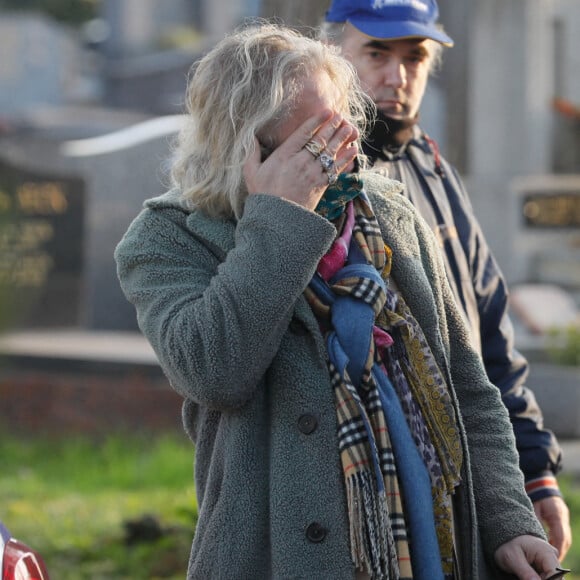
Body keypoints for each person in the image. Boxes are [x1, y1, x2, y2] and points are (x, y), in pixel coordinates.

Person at [115, 22, 562, 579]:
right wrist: (281, 218)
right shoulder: (168, 238)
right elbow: (214, 370)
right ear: (244, 144)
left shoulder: (389, 213)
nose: (340, 151)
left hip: (432, 546)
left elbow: (468, 387)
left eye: (342, 123)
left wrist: (510, 520)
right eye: (315, 141)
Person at [321, 0, 572, 562]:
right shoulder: (316, 177)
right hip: (370, 488)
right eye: (377, 53)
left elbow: (488, 337)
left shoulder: (435, 171)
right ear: (333, 53)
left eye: (416, 56)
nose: (398, 76)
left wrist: (536, 472)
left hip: (472, 473)